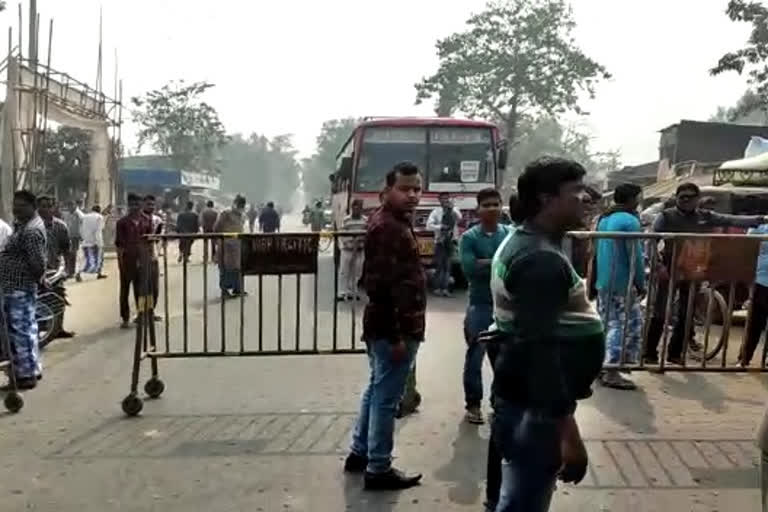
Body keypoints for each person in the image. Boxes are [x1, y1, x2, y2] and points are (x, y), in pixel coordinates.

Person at [486, 157, 605, 511]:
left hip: (524, 397)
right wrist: (569, 434)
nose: (584, 198)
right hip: (535, 409)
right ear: (545, 199)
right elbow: (539, 350)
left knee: (512, 496)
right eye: (575, 191)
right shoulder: (540, 260)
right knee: (524, 501)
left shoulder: (531, 243)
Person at [344, 161, 426, 491]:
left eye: (416, 188)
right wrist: (395, 336)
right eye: (404, 188)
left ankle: (360, 453)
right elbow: (378, 287)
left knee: (376, 390)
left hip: (391, 326)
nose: (412, 195)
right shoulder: (387, 228)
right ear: (387, 190)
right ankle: (378, 467)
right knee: (386, 398)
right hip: (394, 327)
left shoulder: (393, 222)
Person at [646, 182, 767, 365]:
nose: (686, 201)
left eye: (690, 197)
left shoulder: (705, 216)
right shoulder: (665, 217)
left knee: (686, 314)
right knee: (660, 313)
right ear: (677, 198)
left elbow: (730, 220)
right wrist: (658, 266)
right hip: (669, 270)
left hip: (692, 271)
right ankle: (649, 353)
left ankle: (675, 353)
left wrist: (760, 219)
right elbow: (651, 242)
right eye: (682, 197)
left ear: (697, 199)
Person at [458, 188, 511, 425]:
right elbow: (469, 269)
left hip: (505, 306)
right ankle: (473, 404)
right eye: (486, 205)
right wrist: (499, 263)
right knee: (475, 356)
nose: (491, 209)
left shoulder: (509, 234)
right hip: (479, 305)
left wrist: (486, 263)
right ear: (478, 209)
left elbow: (516, 266)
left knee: (503, 358)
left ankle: (498, 402)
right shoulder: (469, 238)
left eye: (495, 204)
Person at [594, 183, 645, 390]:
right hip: (622, 280)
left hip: (604, 280)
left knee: (607, 324)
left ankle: (601, 366)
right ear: (633, 198)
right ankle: (612, 369)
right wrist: (640, 282)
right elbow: (636, 257)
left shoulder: (604, 219)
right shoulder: (629, 220)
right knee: (626, 326)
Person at [0, 191, 47, 389]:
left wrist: (37, 280)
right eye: (14, 205)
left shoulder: (31, 231)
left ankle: (26, 376)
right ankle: (31, 369)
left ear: (32, 206)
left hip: (19, 287)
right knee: (27, 329)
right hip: (15, 286)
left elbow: (37, 263)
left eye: (21, 205)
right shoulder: (25, 226)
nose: (16, 209)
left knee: (20, 331)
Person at [115, 193, 153, 328]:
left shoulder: (147, 221)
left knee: (141, 290)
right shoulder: (122, 223)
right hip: (127, 260)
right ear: (128, 205)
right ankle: (125, 318)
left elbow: (150, 242)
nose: (134, 207)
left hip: (143, 260)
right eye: (132, 205)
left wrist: (150, 258)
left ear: (141, 205)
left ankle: (141, 314)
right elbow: (119, 245)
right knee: (124, 290)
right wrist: (120, 263)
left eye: (137, 204)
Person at [740, 221, 768, 367]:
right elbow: (746, 250)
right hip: (761, 281)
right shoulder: (759, 227)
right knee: (755, 323)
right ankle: (744, 358)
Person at [427, 192, 461, 296]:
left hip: (451, 241)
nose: (445, 200)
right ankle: (437, 288)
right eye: (443, 199)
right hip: (440, 241)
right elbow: (428, 225)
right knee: (439, 265)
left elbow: (459, 218)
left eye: (447, 198)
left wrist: (452, 209)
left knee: (448, 266)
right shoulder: (436, 212)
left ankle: (445, 288)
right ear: (439, 200)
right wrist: (440, 227)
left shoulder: (455, 210)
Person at [214, 195, 246, 298]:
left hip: (237, 245)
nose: (240, 206)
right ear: (235, 203)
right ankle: (224, 291)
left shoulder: (242, 215)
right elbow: (217, 227)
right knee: (225, 268)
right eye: (239, 203)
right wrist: (219, 239)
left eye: (242, 204)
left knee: (237, 268)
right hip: (226, 245)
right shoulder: (226, 213)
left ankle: (237, 288)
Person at [337, 199, 367, 301]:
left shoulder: (365, 221)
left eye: (359, 207)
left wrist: (360, 242)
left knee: (357, 272)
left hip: (359, 250)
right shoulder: (346, 220)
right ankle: (342, 293)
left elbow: (367, 234)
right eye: (355, 207)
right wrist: (350, 242)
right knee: (344, 271)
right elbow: (341, 233)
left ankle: (352, 292)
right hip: (347, 249)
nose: (357, 209)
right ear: (352, 208)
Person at [143, 195, 164, 320]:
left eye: (152, 204)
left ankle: (151, 311)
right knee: (142, 289)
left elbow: (159, 237)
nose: (150, 207)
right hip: (141, 257)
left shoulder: (158, 220)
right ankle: (141, 312)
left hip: (153, 256)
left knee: (154, 288)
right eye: (148, 204)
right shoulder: (139, 219)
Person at [61, 200, 82, 280]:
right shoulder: (67, 214)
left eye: (71, 206)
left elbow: (82, 225)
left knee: (73, 254)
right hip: (68, 236)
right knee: (68, 254)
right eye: (68, 206)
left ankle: (72, 272)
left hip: (75, 237)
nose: (69, 208)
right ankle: (69, 271)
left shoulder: (79, 215)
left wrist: (81, 235)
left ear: (75, 206)